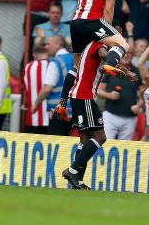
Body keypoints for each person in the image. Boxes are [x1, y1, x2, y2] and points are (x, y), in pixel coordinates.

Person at [54, 0, 135, 121]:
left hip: (75, 22)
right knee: (123, 44)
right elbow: (109, 9)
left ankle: (62, 104)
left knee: (76, 68)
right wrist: (109, 33)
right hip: (92, 21)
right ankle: (110, 65)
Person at [62, 40, 109, 190]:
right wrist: (115, 54)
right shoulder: (100, 46)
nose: (119, 36)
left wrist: (125, 72)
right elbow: (72, 73)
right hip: (84, 97)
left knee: (85, 139)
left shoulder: (90, 48)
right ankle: (72, 171)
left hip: (78, 97)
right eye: (117, 32)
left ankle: (78, 181)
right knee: (100, 137)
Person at [31, 35, 74, 136]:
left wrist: (36, 105)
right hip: (75, 110)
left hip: (59, 110)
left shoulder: (55, 62)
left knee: (58, 146)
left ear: (58, 45)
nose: (46, 47)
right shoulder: (74, 59)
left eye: (48, 44)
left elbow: (47, 89)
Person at [98, 47, 140, 141]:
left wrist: (139, 105)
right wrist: (109, 95)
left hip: (130, 118)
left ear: (132, 55)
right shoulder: (110, 70)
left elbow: (143, 92)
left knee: (124, 148)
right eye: (124, 53)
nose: (126, 55)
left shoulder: (136, 72)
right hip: (110, 115)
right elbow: (99, 91)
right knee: (105, 144)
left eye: (129, 53)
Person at [22, 42, 49, 134]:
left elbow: (25, 87)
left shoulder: (28, 67)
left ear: (34, 54)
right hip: (51, 117)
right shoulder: (52, 65)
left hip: (32, 116)